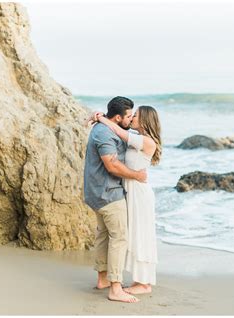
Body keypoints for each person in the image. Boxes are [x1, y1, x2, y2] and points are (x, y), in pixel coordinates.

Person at [92, 105, 162, 295]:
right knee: (132, 235)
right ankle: (137, 280)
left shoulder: (147, 142)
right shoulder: (136, 136)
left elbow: (118, 131)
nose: (131, 118)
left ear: (145, 120)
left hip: (139, 193)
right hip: (129, 190)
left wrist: (102, 119)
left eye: (136, 116)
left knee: (142, 235)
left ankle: (144, 283)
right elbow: (118, 129)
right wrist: (100, 117)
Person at [83, 96, 146, 303]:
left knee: (103, 235)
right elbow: (112, 165)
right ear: (118, 117)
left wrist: (99, 117)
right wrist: (137, 175)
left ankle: (103, 279)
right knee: (119, 238)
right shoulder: (104, 133)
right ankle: (116, 288)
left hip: (97, 192)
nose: (131, 119)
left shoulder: (106, 128)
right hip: (108, 193)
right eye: (128, 116)